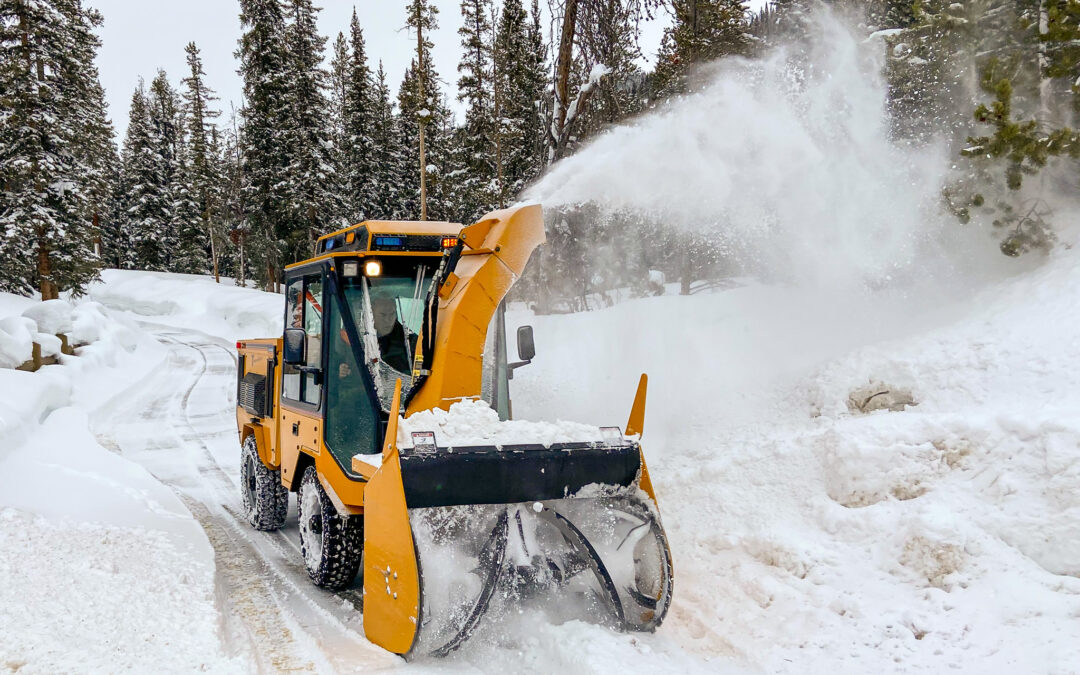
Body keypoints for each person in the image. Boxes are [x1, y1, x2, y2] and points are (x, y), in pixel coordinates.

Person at [370, 297, 415, 373]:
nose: (388, 320)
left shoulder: (410, 341)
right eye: (383, 315)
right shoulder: (357, 338)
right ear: (372, 314)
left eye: (392, 314)